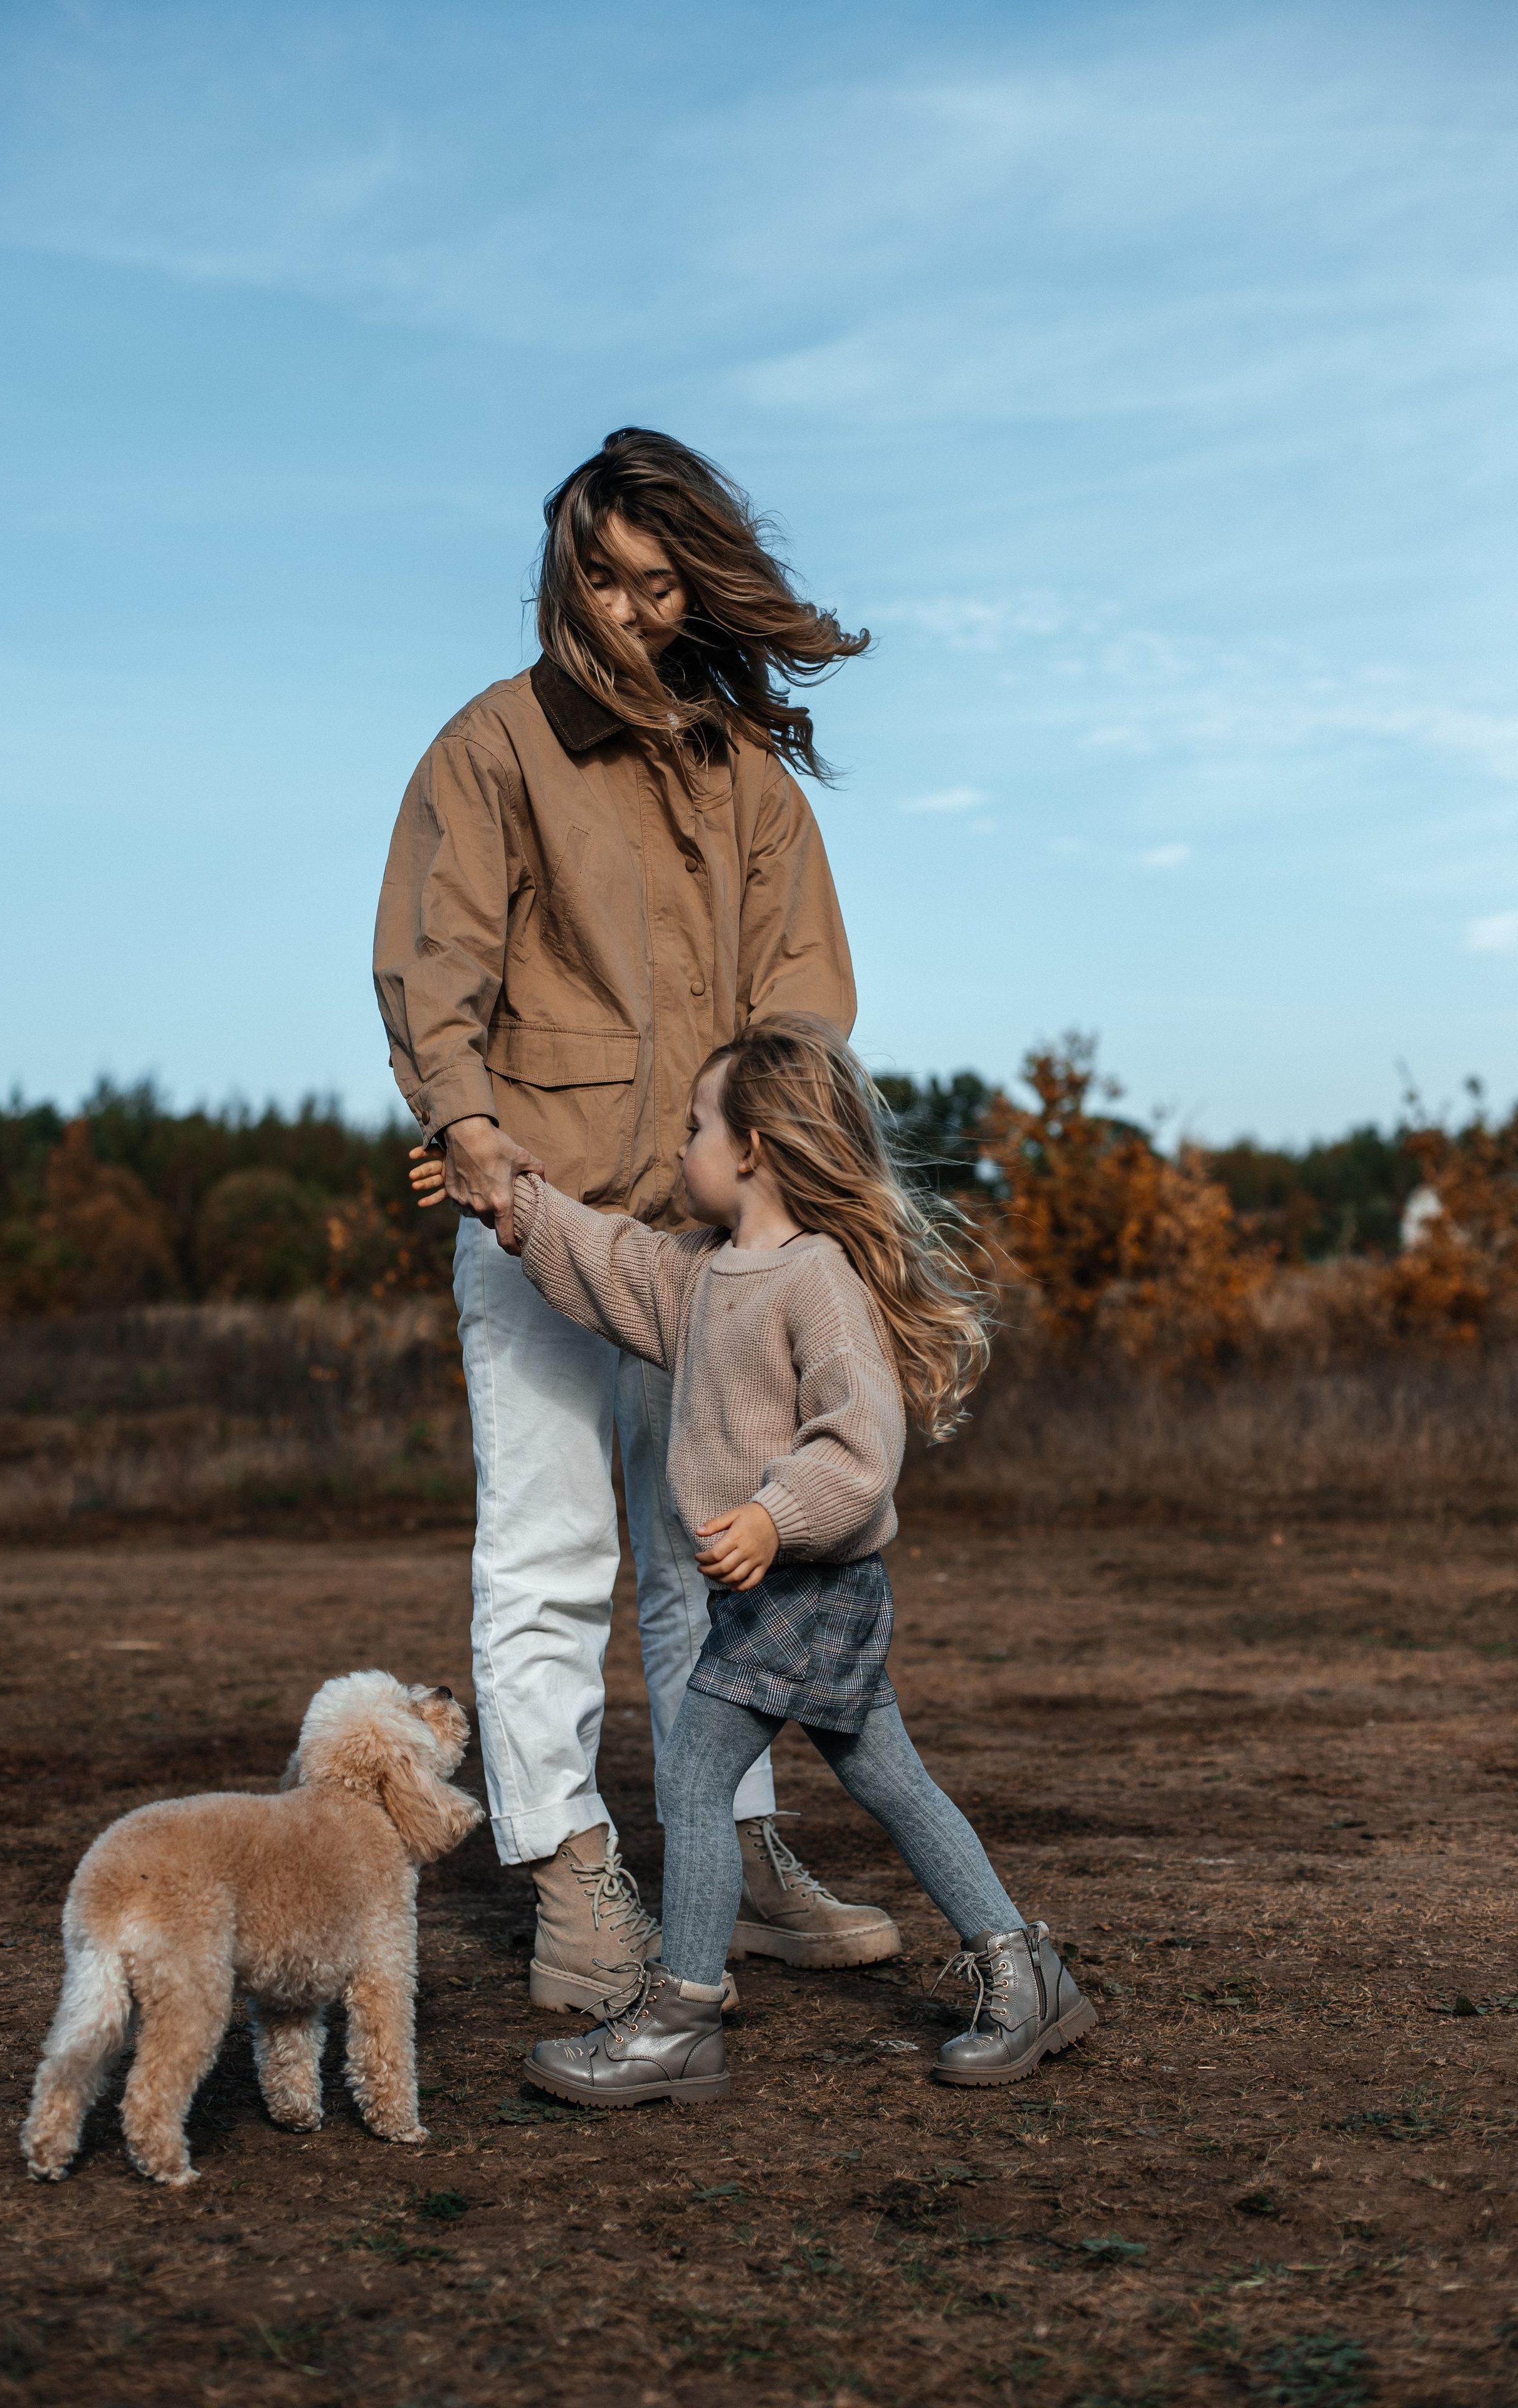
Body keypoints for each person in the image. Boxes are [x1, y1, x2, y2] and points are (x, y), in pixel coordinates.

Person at [374, 428, 901, 2013]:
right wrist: (465, 1131)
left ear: (698, 582)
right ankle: (564, 1868)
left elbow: (801, 1000)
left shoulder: (748, 780)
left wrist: (783, 1187)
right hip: (535, 1220)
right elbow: (436, 961)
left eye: (656, 584)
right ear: (560, 570)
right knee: (551, 1558)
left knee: (706, 1564)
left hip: (710, 1244)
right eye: (596, 578)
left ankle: (722, 1859)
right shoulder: (491, 746)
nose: (622, 612)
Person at [410, 1015, 1097, 2102]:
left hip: (812, 1586)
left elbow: (860, 1446)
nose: (678, 1148)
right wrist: (514, 1198)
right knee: (890, 1778)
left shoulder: (817, 1280)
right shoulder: (701, 1275)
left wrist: (777, 1517)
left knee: (692, 1775)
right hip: (775, 1597)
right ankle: (1027, 1971)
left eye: (695, 1127)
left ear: (753, 1150)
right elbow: (609, 1263)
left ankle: (681, 2019)